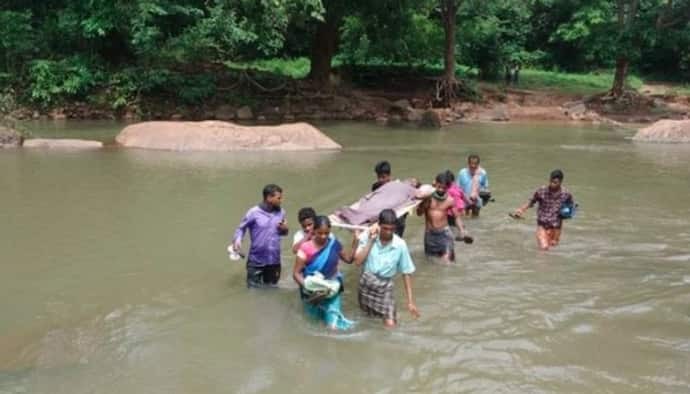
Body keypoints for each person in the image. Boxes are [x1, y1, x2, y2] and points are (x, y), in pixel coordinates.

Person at [354, 209, 420, 328]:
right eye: (385, 228)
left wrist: (410, 301)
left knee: (391, 324)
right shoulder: (367, 236)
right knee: (368, 320)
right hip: (366, 283)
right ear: (378, 225)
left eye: (391, 229)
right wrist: (371, 240)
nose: (388, 232)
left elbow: (406, 272)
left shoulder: (400, 245)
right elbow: (358, 262)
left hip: (385, 287)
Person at [292, 216, 357, 330]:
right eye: (319, 233)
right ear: (314, 231)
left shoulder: (334, 244)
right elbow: (296, 274)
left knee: (332, 327)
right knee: (313, 324)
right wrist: (309, 288)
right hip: (312, 294)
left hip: (331, 290)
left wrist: (355, 243)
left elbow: (349, 260)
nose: (323, 236)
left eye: (326, 233)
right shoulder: (305, 248)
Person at [232, 184, 289, 288]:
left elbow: (285, 233)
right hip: (256, 261)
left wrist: (284, 229)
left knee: (273, 290)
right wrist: (238, 240)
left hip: (274, 261)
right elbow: (241, 228)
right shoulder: (254, 212)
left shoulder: (281, 212)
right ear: (269, 198)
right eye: (279, 198)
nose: (281, 200)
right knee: (252, 291)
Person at [512, 169, 575, 251]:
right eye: (551, 181)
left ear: (560, 182)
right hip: (542, 224)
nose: (552, 184)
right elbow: (531, 202)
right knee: (544, 248)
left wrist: (568, 213)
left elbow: (571, 206)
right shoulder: (542, 191)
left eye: (555, 182)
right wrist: (521, 210)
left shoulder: (566, 194)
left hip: (556, 227)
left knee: (552, 248)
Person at [417, 172, 457, 263]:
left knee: (448, 262)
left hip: (445, 234)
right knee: (431, 262)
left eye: (444, 188)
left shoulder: (450, 200)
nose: (441, 190)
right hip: (430, 235)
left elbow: (457, 217)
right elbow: (419, 213)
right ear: (435, 184)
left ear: (447, 188)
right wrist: (425, 202)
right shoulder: (427, 196)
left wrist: (463, 231)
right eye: (439, 187)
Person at [371, 160, 407, 237]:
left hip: (397, 222)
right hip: (381, 221)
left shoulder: (399, 187)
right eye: (379, 177)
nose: (380, 180)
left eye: (383, 177)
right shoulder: (376, 187)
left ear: (389, 176)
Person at [443, 170, 469, 240]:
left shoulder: (446, 189)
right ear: (453, 179)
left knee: (451, 224)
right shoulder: (457, 187)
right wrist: (468, 203)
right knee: (459, 220)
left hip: (452, 209)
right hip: (461, 207)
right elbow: (463, 195)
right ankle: (465, 232)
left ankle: (458, 234)